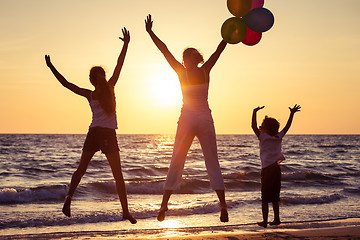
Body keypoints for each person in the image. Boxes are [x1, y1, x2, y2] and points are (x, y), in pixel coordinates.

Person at [45, 28, 137, 224]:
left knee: (81, 170)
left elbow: (66, 84)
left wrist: (51, 67)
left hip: (93, 133)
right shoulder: (111, 87)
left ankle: (69, 197)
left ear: (91, 80)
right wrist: (126, 44)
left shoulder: (90, 94)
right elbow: (120, 64)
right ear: (104, 76)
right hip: (108, 134)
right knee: (118, 176)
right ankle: (125, 212)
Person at [145, 14, 229, 222]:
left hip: (195, 116)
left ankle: (223, 205)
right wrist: (150, 33)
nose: (184, 60)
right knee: (178, 159)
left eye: (186, 57)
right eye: (183, 58)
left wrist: (229, 33)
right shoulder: (197, 70)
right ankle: (164, 205)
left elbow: (220, 48)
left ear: (194, 58)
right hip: (197, 117)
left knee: (209, 161)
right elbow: (164, 50)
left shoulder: (195, 70)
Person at [251, 104, 301, 228]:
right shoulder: (278, 136)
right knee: (275, 196)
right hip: (276, 169)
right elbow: (287, 127)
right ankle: (277, 219)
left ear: (265, 129)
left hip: (267, 170)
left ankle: (264, 221)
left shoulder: (262, 137)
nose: (260, 128)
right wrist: (292, 114)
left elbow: (252, 126)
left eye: (262, 127)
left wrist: (254, 112)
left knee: (264, 197)